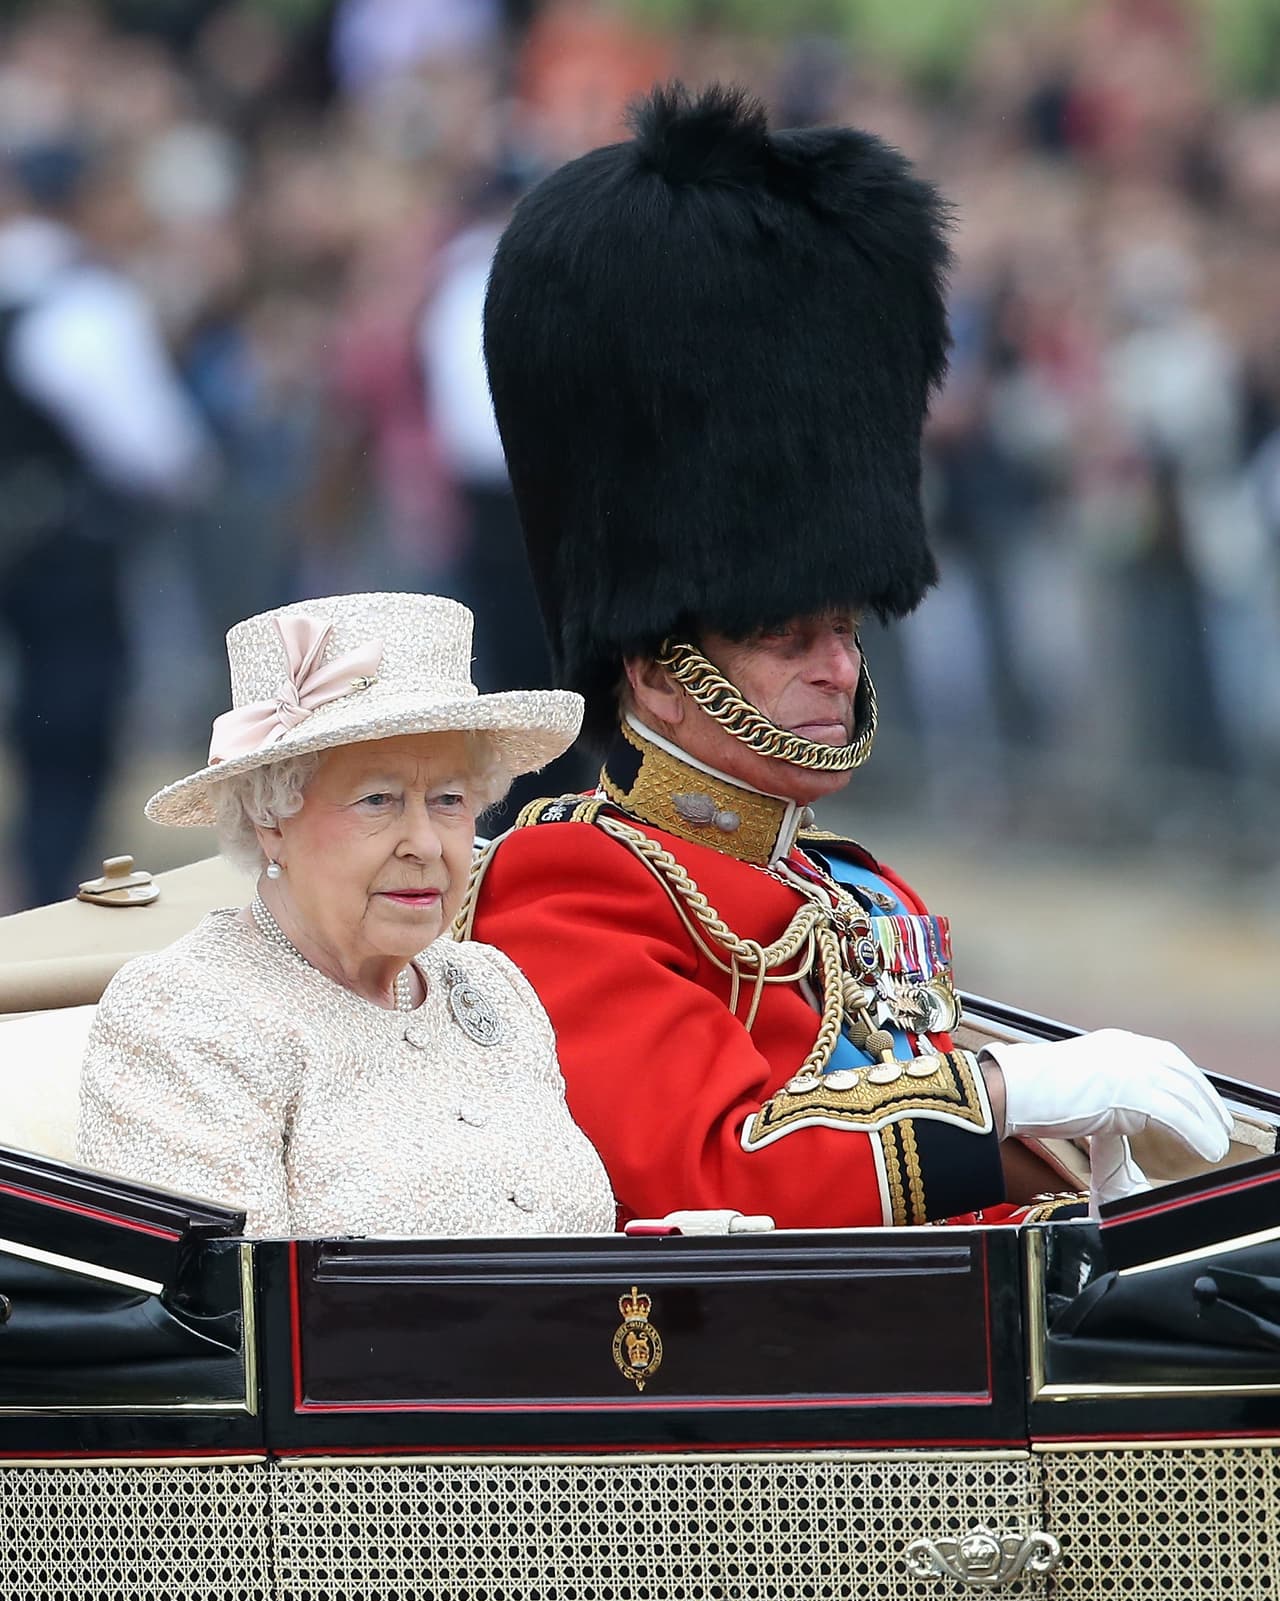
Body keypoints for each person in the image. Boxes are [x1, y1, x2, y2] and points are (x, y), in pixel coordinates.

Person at [460, 83, 1231, 1229]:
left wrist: (1089, 1195)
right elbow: (710, 1169)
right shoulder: (574, 882)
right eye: (785, 637)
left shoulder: (856, 886)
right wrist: (1013, 1089)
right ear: (657, 672)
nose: (836, 669)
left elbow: (939, 1182)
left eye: (844, 632)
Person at [77, 591, 615, 1239]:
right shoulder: (187, 1012)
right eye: (378, 800)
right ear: (269, 819)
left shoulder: (494, 986)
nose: (424, 842)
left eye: (448, 799)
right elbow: (227, 1315)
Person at [0, 137, 216, 908]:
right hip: (64, 553)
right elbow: (154, 448)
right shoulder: (81, 302)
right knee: (71, 727)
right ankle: (52, 895)